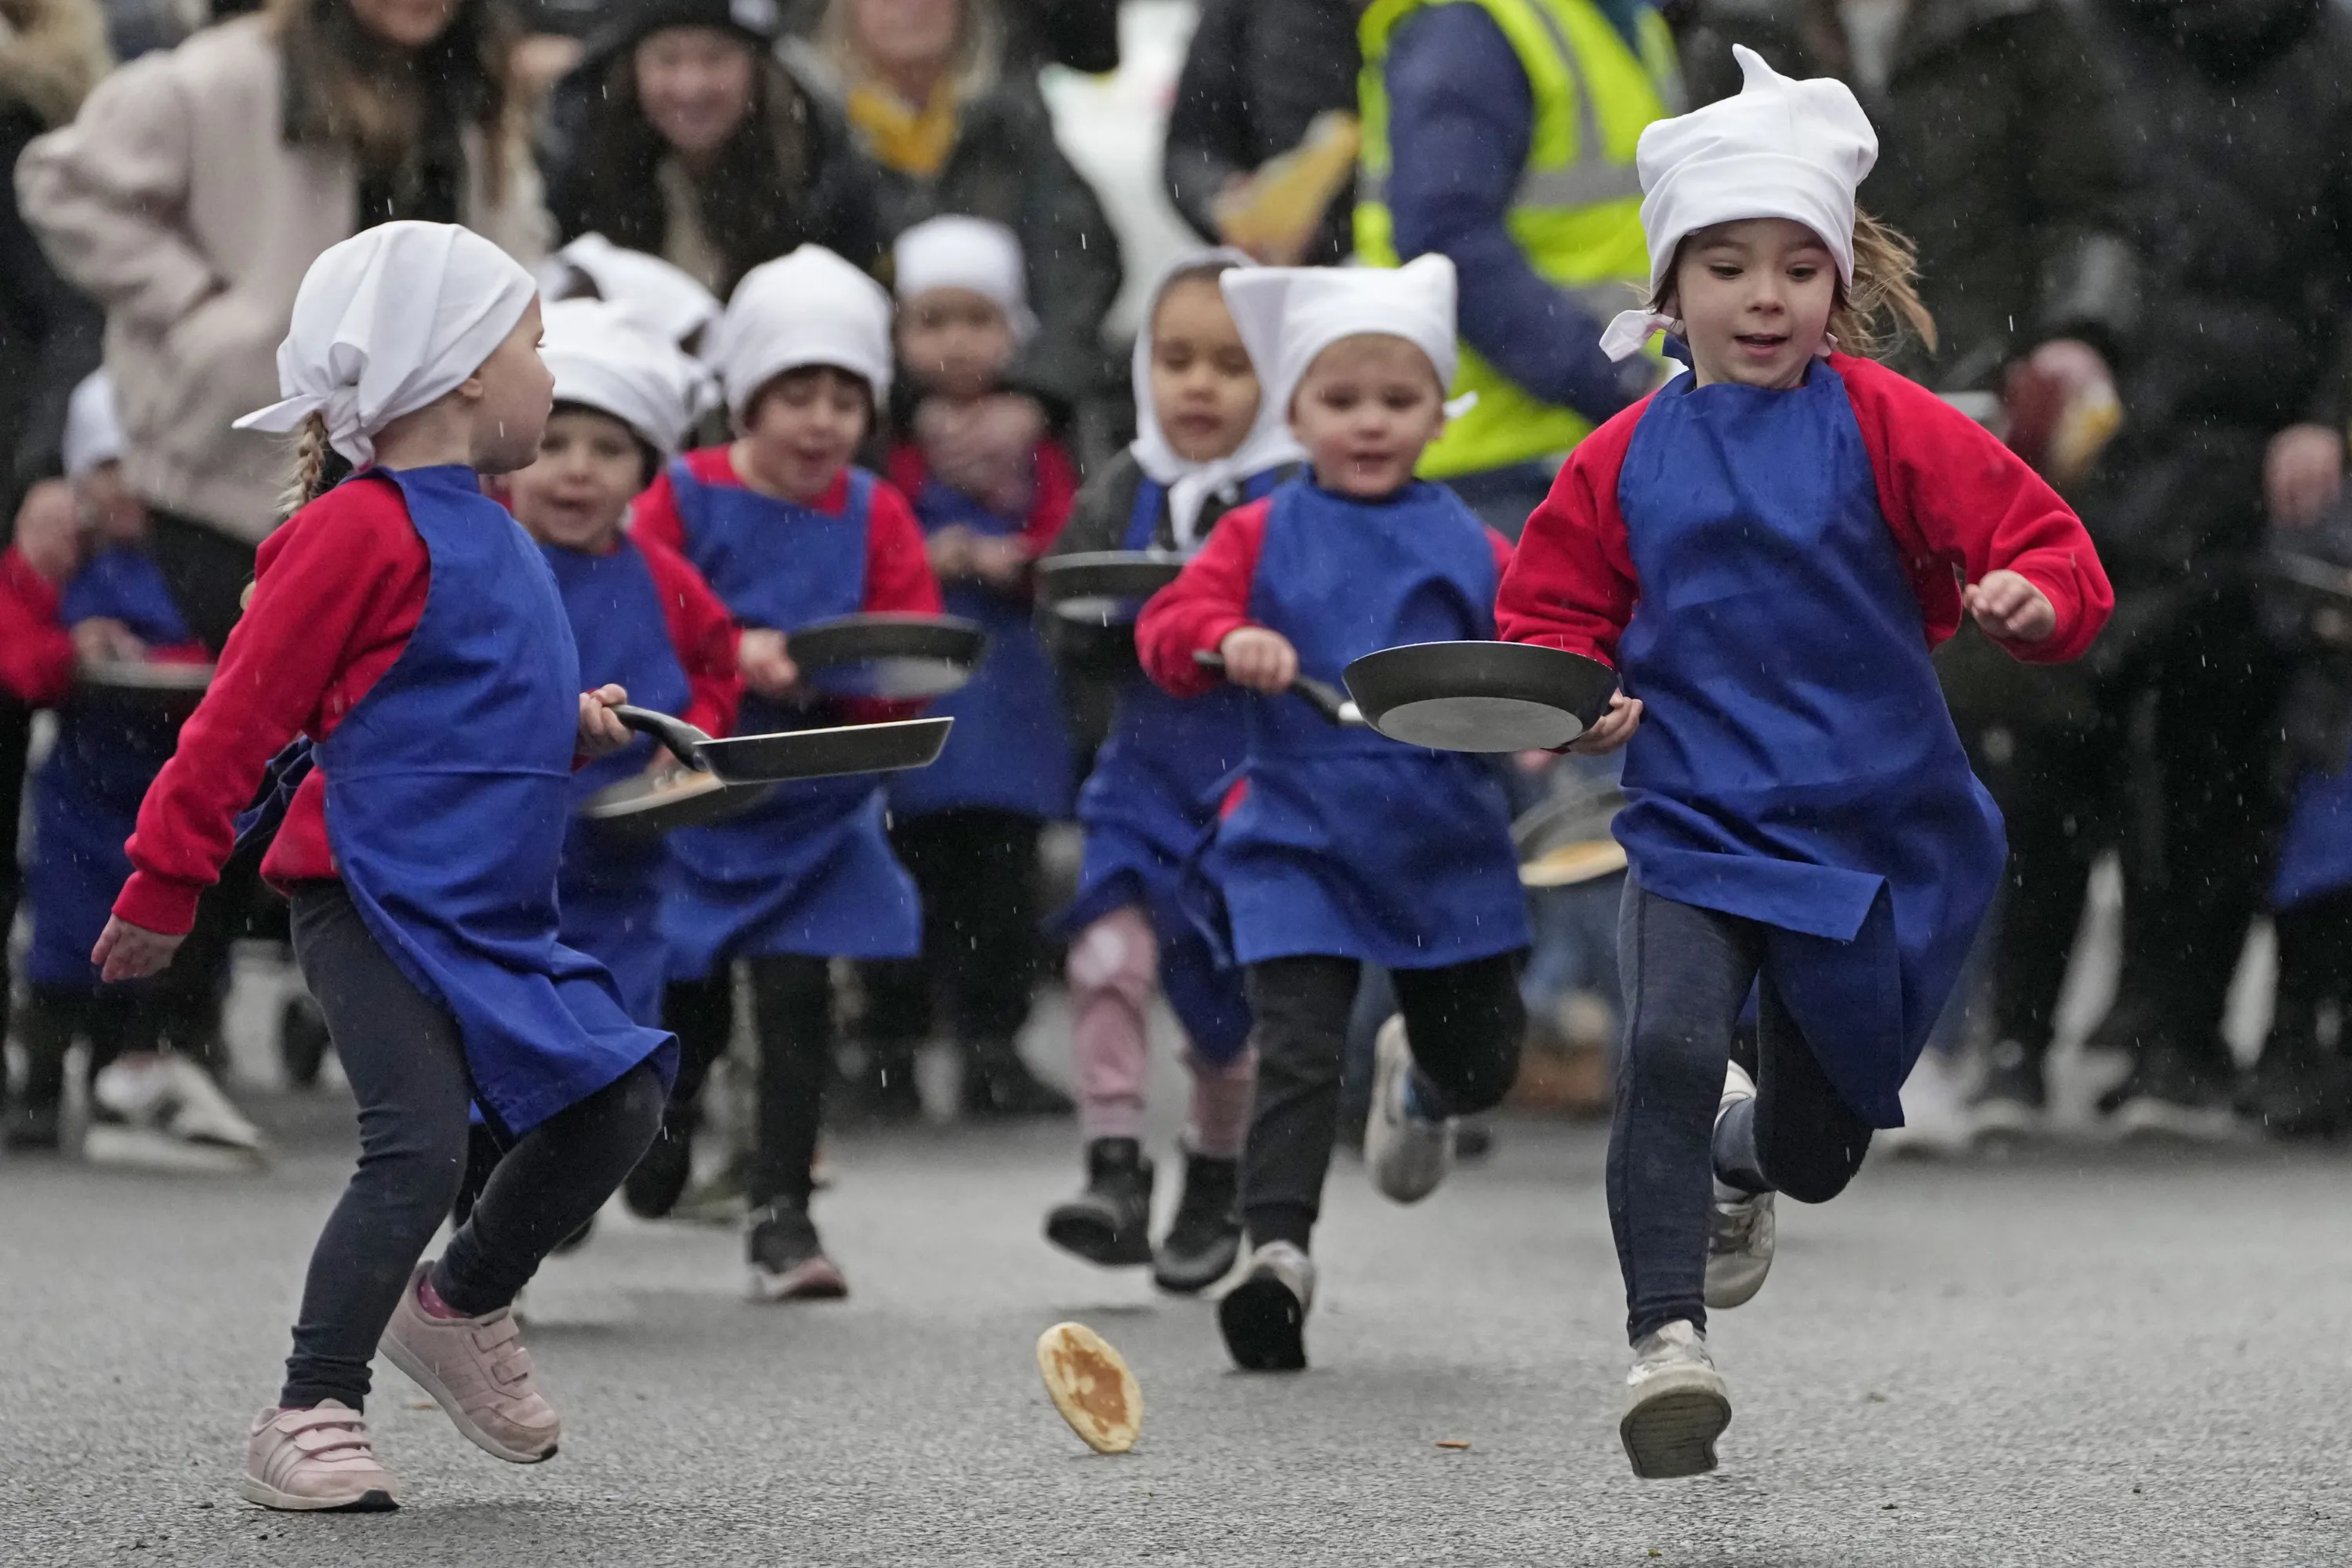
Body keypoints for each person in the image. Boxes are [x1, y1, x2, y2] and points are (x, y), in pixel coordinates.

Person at [1494, 49, 2112, 1478]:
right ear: (1671, 287)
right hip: (1697, 817)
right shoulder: (1620, 457)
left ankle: (1742, 1160)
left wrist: (2032, 599)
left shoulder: (1890, 422)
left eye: (1797, 267)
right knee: (1664, 1047)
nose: (1764, 297)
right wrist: (1577, 698)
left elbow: (2043, 542)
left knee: (1819, 1152)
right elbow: (1550, 617)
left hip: (1870, 837)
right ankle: (1666, 1344)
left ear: (1840, 283)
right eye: (1726, 267)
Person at [93, 223, 674, 1511]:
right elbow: (239, 720)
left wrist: (569, 727)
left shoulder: (499, 528)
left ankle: (458, 1306)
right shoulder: (355, 529)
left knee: (621, 1096)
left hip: (492, 902)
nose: (550, 374)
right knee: (416, 1149)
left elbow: (442, 700)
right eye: (535, 346)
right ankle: (309, 1410)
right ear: (461, 371)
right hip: (369, 892)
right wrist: (164, 883)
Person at [1672, 0, 2136, 1137]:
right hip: (1780, 403)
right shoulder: (1743, 25)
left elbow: (2098, 196)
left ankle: (1953, 1036)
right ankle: (1745, 1039)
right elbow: (1692, 209)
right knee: (1770, 729)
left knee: (1967, 746)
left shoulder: (2026, 21)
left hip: (1981, 391)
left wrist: (2076, 332)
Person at [1136, 255, 1531, 1373]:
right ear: (1294, 412)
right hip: (1295, 834)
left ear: (1439, 413)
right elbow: (1168, 627)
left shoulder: (1470, 540)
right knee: (1299, 1052)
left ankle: (1425, 1082)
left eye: (1398, 399)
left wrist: (1552, 712)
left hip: (1444, 840)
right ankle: (1276, 1256)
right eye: (1340, 398)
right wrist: (1228, 637)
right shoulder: (1256, 531)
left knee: (1484, 1064)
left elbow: (1539, 644)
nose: (1368, 421)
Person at [1988, 0, 2352, 1136]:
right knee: (2051, 745)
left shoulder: (2328, 55)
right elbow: (2036, 216)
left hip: (2252, 456)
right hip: (2092, 443)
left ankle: (2174, 1040)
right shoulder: (2073, 37)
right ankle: (2021, 1044)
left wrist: (2331, 416)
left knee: (2217, 754)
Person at [626, 245, 942, 1301]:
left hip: (816, 799)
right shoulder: (682, 496)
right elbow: (632, 613)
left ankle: (783, 1214)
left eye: (845, 400)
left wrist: (836, 674)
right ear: (747, 399)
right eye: (795, 395)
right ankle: (664, 1122)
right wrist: (732, 650)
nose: (820, 422)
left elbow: (912, 651)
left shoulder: (877, 511)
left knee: (801, 1003)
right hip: (697, 798)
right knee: (689, 999)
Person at [445, 297, 737, 1237]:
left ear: (645, 471)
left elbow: (717, 670)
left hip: (621, 874)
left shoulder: (667, 579)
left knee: (602, 1047)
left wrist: (690, 745)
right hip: (490, 867)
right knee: (485, 1051)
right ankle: (483, 1229)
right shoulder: (477, 558)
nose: (577, 468)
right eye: (557, 441)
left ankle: (555, 1185)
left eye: (608, 449)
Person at [1040, 250, 1301, 1292]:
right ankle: (1112, 1165)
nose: (1199, 386)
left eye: (1234, 366)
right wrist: (1106, 631)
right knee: (1105, 956)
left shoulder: (1299, 495)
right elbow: (1062, 613)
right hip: (1141, 769)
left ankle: (1215, 1169)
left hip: (1254, 779)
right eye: (1177, 359)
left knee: (1226, 1000)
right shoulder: (1124, 485)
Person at [860, 214, 1078, 1120]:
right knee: (899, 873)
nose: (955, 341)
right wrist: (925, 556)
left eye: (976, 319)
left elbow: (1068, 539)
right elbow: (862, 535)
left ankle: (994, 1043)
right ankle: (890, 1047)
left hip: (1005, 695)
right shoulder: (884, 440)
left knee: (999, 878)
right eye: (933, 320)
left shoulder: (1040, 441)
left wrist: (1015, 557)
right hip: (908, 694)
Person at [13, 371, 259, 1156]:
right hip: (81, 794)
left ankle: (134, 1063)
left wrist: (166, 668)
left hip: (169, 787)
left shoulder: (200, 573)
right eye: (109, 469)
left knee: (150, 941)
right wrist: (72, 652)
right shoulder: (65, 569)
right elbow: (20, 652)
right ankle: (39, 1086)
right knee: (61, 943)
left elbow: (233, 652)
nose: (128, 488)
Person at [1353, 0, 1678, 537]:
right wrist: (1620, 377)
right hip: (1496, 462)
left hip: (1597, 439)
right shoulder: (1473, 30)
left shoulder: (1624, 20)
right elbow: (1447, 241)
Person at [793, 0, 1121, 427]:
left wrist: (1035, 395)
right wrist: (906, 406)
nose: (910, 8)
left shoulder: (1012, 120)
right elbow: (815, 292)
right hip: (864, 415)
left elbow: (1078, 269)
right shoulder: (810, 129)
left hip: (1023, 408)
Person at [545, 0, 882, 299]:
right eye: (668, 59)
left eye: (716, 57)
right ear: (633, 69)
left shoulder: (821, 175)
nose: (691, 86)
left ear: (758, 68)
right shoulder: (583, 170)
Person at [1160, 0, 1360, 267]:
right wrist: (1227, 195)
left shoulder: (1413, 20)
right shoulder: (1248, 11)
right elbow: (1191, 144)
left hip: (1390, 265)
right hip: (1281, 270)